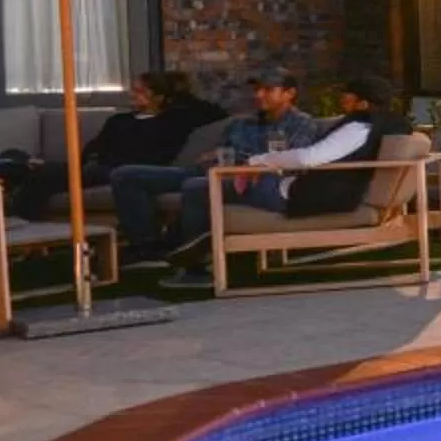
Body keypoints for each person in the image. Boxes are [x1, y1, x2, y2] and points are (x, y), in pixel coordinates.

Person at [160, 73, 402, 287]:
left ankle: (192, 267)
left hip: (297, 196)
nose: (342, 99)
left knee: (197, 188)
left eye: (347, 95)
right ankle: (186, 247)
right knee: (208, 187)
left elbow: (308, 158)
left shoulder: (358, 128)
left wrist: (259, 161)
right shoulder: (381, 126)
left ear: (363, 102)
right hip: (307, 191)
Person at [113, 69, 317, 263]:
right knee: (126, 175)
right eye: (257, 89)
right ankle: (146, 247)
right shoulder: (241, 123)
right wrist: (214, 156)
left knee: (196, 186)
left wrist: (241, 158)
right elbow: (220, 152)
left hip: (243, 179)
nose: (259, 95)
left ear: (289, 93)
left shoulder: (301, 124)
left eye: (268, 90)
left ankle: (188, 256)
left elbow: (290, 159)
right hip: (207, 171)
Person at [0, 71, 225, 221]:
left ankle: (18, 218)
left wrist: (178, 96)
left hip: (118, 169)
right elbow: (93, 147)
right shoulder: (120, 120)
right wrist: (87, 159)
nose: (133, 95)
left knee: (43, 176)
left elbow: (214, 113)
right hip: (92, 166)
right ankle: (14, 187)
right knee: (10, 157)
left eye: (140, 91)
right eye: (133, 89)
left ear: (160, 97)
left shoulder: (174, 120)